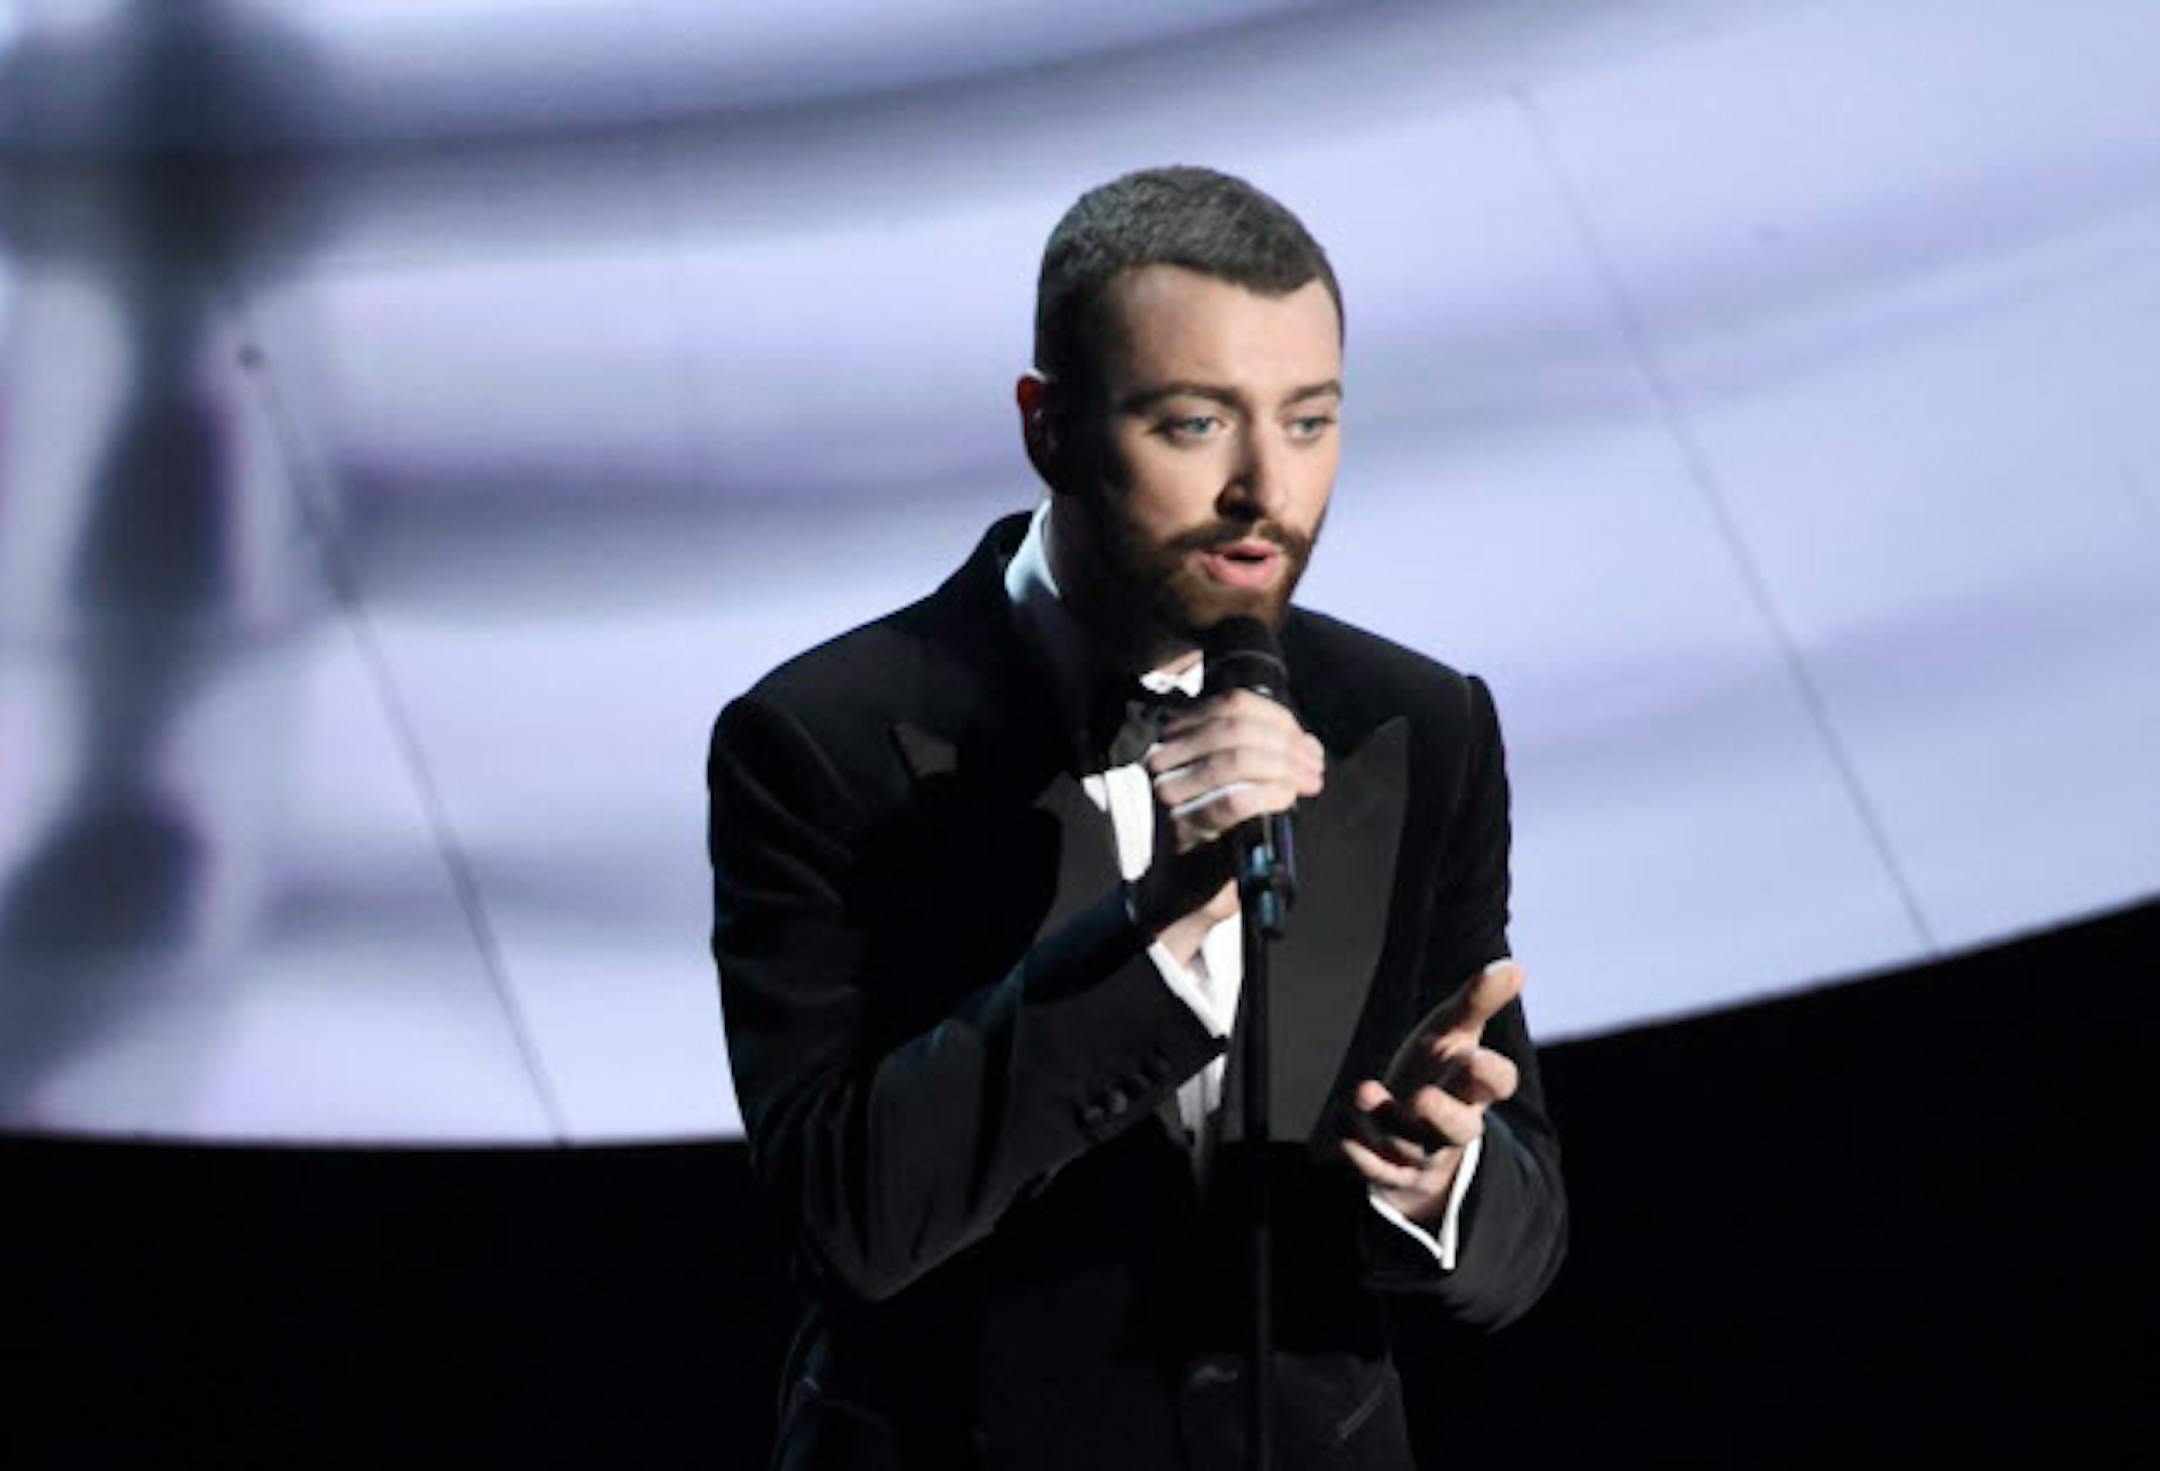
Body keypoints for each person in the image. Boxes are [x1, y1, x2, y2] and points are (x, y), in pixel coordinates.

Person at [707, 165, 1566, 1471]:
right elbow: (853, 1222)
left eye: (1309, 420)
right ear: (1047, 426)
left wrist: (1437, 1181)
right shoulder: (821, 740)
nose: (1264, 491)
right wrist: (1158, 937)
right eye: (1192, 425)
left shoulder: (1422, 721)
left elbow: (1522, 1246)